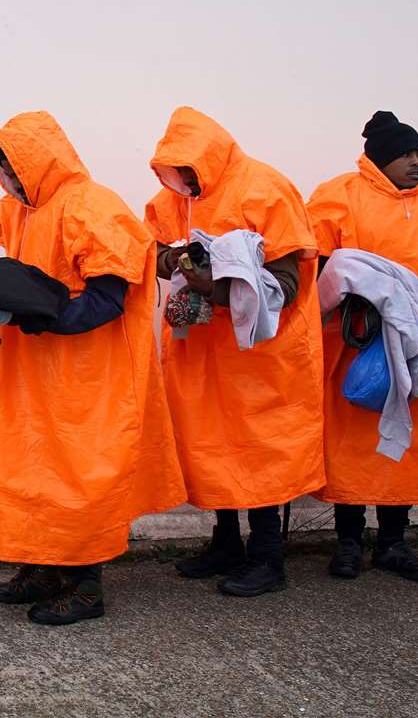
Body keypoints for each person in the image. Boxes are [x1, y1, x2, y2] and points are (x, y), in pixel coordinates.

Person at [0, 112, 185, 625]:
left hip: (87, 375)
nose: (12, 181)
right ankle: (42, 568)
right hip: (29, 371)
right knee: (29, 467)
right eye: (4, 172)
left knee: (80, 476)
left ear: (42, 159)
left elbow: (109, 296)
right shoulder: (17, 211)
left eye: (17, 169)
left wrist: (42, 318)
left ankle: (86, 588)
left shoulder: (92, 205)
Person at [145, 106, 323, 597]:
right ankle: (226, 543)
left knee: (259, 450)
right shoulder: (171, 197)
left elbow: (287, 284)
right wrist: (178, 259)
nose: (181, 178)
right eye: (173, 169)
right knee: (211, 444)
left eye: (187, 167)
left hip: (261, 355)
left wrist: (217, 283)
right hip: (201, 350)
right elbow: (154, 249)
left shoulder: (265, 188)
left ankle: (268, 557)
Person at [306, 112, 418, 582]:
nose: (416, 162)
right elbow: (319, 273)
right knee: (352, 441)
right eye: (405, 154)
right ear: (380, 158)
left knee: (407, 445)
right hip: (355, 346)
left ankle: (393, 543)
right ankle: (347, 542)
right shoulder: (338, 197)